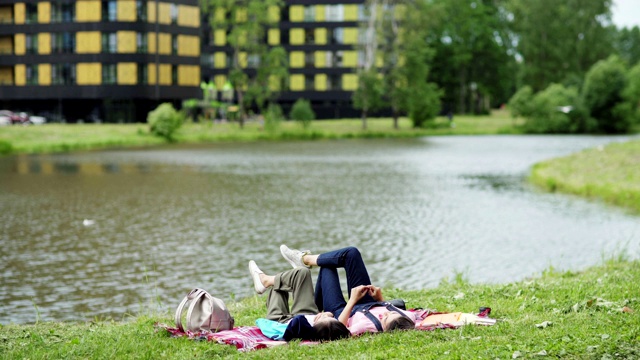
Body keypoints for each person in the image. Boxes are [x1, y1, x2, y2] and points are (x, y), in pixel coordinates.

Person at [279, 245, 417, 335]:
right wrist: (381, 300)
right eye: (390, 313)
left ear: (385, 329)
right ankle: (305, 260)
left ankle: (304, 260)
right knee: (352, 253)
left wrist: (352, 301)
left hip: (343, 312)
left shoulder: (365, 327)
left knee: (327, 267)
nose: (384, 315)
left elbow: (340, 328)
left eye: (384, 319)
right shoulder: (408, 318)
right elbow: (390, 311)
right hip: (369, 300)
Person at [248, 260, 350, 342]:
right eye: (332, 319)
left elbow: (299, 320)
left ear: (315, 327)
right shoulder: (329, 327)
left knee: (278, 288)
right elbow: (336, 325)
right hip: (308, 312)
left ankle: (265, 280)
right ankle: (274, 279)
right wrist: (328, 314)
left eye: (323, 318)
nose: (325, 315)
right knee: (302, 272)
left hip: (280, 321)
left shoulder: (303, 328)